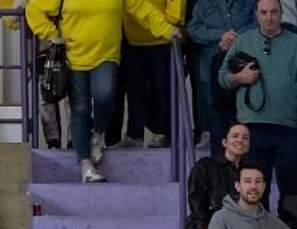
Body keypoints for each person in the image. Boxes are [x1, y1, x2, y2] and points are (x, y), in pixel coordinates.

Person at [27, 0, 177, 183]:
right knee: (80, 109)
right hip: (74, 57)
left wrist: (167, 29)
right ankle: (86, 165)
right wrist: (52, 34)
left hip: (107, 54)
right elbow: (34, 9)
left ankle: (97, 134)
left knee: (105, 96)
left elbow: (141, 8)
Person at [219, 0, 297, 196]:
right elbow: (222, 77)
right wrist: (239, 77)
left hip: (288, 126)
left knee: (291, 190)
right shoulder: (243, 41)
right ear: (256, 15)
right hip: (252, 126)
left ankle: (289, 226)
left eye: (274, 12)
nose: (269, 17)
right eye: (263, 12)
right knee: (254, 191)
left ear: (281, 14)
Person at [187, 0, 257, 151]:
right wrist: (219, 35)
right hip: (211, 68)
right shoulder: (203, 3)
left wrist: (236, 37)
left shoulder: (249, 2)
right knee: (217, 120)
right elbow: (193, 29)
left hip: (242, 68)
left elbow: (258, 22)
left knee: (244, 119)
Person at [121, 0, 184, 149]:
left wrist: (170, 23)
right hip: (134, 38)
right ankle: (135, 134)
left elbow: (177, 4)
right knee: (135, 89)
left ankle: (162, 133)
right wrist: (164, 26)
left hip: (164, 38)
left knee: (162, 88)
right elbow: (135, 5)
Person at [185, 123, 253, 229]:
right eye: (235, 136)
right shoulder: (205, 165)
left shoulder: (252, 169)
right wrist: (203, 226)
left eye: (245, 137)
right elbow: (196, 197)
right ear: (224, 142)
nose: (240, 140)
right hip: (213, 222)